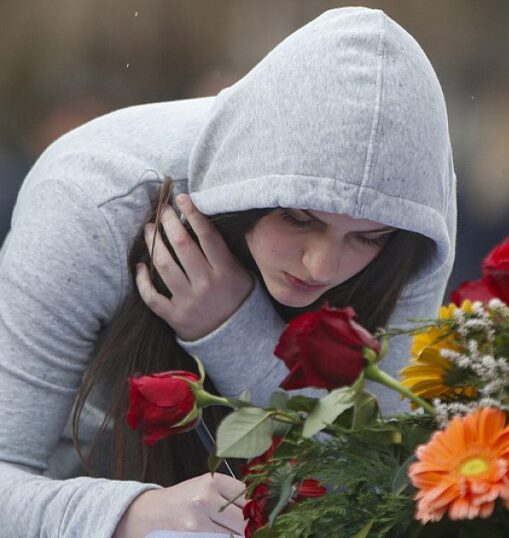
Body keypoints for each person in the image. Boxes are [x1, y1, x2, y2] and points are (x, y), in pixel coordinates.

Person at [0, 7, 456, 537]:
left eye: (366, 238)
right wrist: (133, 516)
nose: (323, 265)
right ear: (247, 188)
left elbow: (376, 482)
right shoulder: (89, 200)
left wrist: (232, 330)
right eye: (298, 218)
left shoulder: (408, 217)